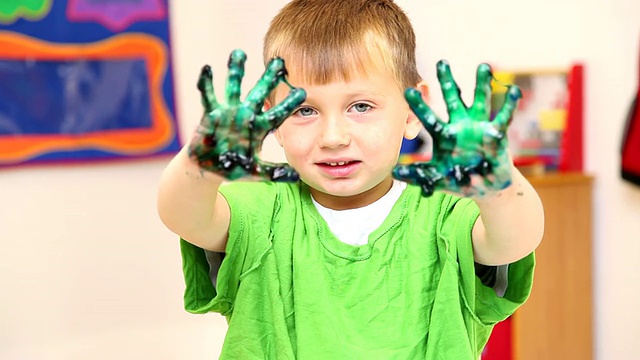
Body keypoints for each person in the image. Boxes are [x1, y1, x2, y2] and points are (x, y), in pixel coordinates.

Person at [157, 0, 544, 358]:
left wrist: (498, 188)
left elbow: (512, 241)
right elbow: (183, 215)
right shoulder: (258, 210)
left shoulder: (447, 214)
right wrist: (200, 161)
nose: (333, 138)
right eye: (304, 110)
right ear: (272, 116)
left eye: (360, 106)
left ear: (413, 110)